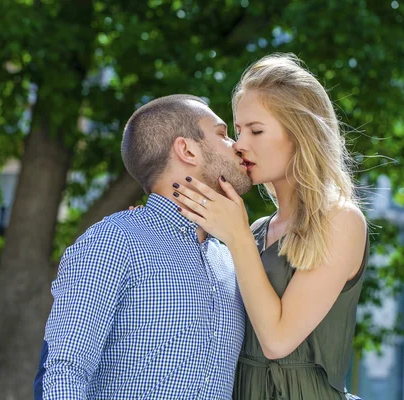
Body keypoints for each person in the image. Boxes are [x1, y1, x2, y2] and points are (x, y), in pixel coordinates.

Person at [172, 54, 368, 400]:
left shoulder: (341, 221)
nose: (240, 144)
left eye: (256, 130)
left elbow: (277, 340)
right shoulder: (258, 231)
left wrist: (237, 236)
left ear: (299, 133)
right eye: (237, 131)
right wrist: (150, 229)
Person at [34, 94, 253, 399]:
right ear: (187, 149)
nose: (238, 146)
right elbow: (64, 373)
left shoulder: (231, 258)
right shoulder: (113, 242)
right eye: (222, 134)